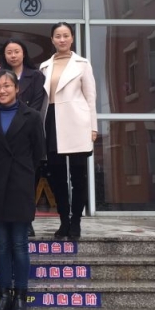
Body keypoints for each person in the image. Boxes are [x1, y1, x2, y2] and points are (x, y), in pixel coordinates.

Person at [0, 69, 45, 310]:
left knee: (20, 244)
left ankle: (20, 295)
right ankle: (4, 294)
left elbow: (39, 154)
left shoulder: (31, 116)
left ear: (17, 88)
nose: (2, 90)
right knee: (1, 245)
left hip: (20, 185)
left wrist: (23, 172)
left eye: (7, 86)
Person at [40, 23, 97, 241]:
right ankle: (64, 219)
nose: (62, 39)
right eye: (58, 36)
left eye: (66, 35)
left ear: (72, 38)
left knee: (78, 175)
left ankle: (76, 221)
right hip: (52, 120)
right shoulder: (45, 66)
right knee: (57, 176)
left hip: (77, 121)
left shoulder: (82, 64)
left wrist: (93, 127)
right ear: (52, 39)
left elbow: (90, 97)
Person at [1, 38, 45, 237]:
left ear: (24, 53)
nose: (13, 55)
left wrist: (22, 120)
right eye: (9, 52)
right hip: (5, 130)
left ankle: (27, 221)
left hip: (27, 128)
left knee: (26, 179)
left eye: (16, 51)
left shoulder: (35, 76)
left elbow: (37, 102)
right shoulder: (1, 75)